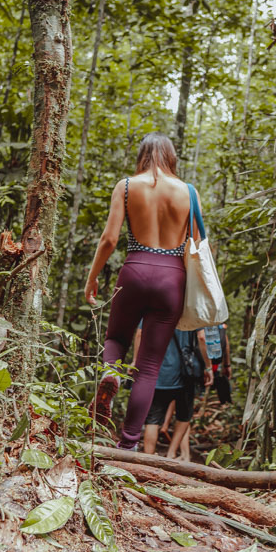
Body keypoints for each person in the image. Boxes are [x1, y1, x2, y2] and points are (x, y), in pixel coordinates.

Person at [84, 132, 206, 450]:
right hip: (171, 278)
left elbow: (109, 240)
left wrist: (92, 277)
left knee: (116, 339)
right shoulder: (189, 193)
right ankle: (128, 444)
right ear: (171, 156)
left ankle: (111, 374)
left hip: (135, 268)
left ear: (142, 155)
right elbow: (196, 248)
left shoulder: (126, 186)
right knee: (149, 366)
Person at [142, 328, 211, 459]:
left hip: (159, 372)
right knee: (184, 416)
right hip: (185, 373)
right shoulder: (192, 311)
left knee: (152, 419)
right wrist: (208, 366)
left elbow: (142, 333)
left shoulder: (157, 308)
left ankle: (148, 459)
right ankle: (171, 453)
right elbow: (202, 337)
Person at [204, 323, 232, 404]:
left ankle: (224, 402)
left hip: (206, 362)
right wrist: (227, 364)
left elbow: (201, 338)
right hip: (217, 361)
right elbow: (226, 344)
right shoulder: (219, 321)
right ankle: (225, 403)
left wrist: (207, 366)